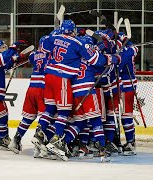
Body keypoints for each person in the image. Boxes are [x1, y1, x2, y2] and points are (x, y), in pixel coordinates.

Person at [32, 20, 118, 160]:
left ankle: (43, 137)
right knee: (89, 118)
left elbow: (43, 46)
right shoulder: (80, 45)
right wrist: (112, 58)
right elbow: (99, 63)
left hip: (55, 80)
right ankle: (98, 148)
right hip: (79, 87)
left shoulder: (53, 38)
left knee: (55, 111)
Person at [8, 36, 49, 154]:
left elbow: (31, 58)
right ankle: (38, 144)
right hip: (43, 88)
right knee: (45, 117)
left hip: (31, 88)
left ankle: (15, 140)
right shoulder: (51, 54)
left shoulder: (33, 55)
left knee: (28, 117)